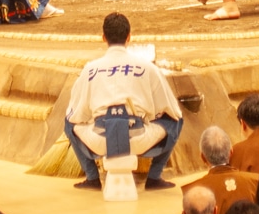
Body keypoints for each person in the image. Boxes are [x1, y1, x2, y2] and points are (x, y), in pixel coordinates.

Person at [63, 10, 184, 193]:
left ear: (103, 37)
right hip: (138, 138)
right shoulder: (147, 67)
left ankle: (92, 178)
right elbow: (172, 109)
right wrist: (151, 115)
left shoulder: (90, 69)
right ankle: (154, 177)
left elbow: (76, 114)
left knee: (68, 122)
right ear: (129, 37)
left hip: (100, 139)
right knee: (176, 120)